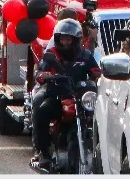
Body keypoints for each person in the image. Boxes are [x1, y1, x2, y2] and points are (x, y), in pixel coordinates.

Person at [31, 19, 100, 168]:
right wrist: (46, 75)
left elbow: (97, 73)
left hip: (80, 98)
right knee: (42, 111)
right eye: (62, 39)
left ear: (76, 40)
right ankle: (43, 152)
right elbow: (41, 72)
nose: (65, 43)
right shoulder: (52, 54)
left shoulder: (85, 55)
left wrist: (99, 79)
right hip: (58, 95)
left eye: (68, 39)